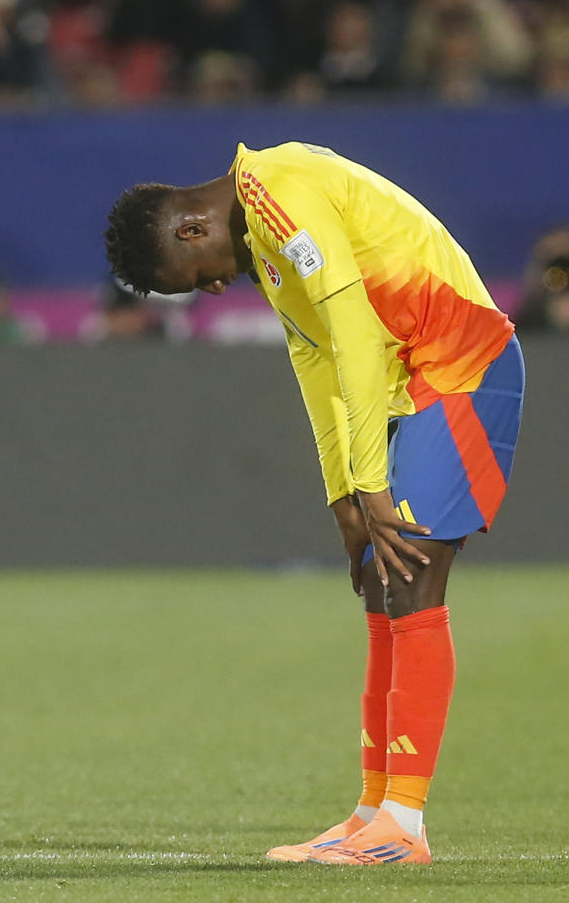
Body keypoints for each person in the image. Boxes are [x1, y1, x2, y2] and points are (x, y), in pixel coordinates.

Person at [102, 141, 524, 867]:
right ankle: (372, 813)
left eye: (190, 279)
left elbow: (357, 336)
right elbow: (317, 358)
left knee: (413, 576)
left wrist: (371, 483)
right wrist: (344, 501)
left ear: (192, 230)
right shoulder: (267, 251)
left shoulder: (277, 187)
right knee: (382, 587)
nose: (207, 292)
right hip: (415, 385)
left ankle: (404, 826)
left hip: (463, 367)